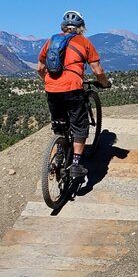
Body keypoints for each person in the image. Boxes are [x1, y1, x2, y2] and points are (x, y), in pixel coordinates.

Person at [38, 10, 111, 179]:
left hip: (52, 89)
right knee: (80, 125)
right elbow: (97, 70)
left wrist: (48, 81)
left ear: (63, 27)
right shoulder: (84, 42)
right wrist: (104, 83)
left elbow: (40, 68)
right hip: (72, 88)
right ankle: (76, 164)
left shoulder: (51, 41)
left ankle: (60, 155)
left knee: (59, 123)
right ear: (81, 27)